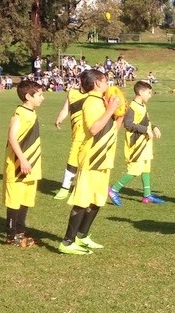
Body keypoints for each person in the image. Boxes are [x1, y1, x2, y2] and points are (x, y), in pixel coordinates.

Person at [58, 69, 120, 255]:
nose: (108, 82)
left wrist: (115, 112)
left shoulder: (100, 101)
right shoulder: (91, 102)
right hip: (92, 157)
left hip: (103, 158)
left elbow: (108, 127)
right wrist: (110, 110)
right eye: (105, 79)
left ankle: (82, 236)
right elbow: (93, 129)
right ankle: (67, 242)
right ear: (97, 83)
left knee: (97, 199)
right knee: (83, 200)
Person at [3, 79, 45, 248]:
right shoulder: (19, 114)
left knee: (26, 200)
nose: (43, 98)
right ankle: (11, 236)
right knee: (14, 200)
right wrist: (22, 159)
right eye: (40, 95)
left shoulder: (31, 113)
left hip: (30, 166)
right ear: (28, 96)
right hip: (18, 166)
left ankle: (20, 231)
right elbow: (12, 137)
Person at [108, 81, 163, 206]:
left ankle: (147, 196)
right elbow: (128, 125)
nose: (150, 95)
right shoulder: (132, 107)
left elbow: (145, 121)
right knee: (134, 170)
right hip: (136, 144)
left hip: (145, 143)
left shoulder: (142, 105)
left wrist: (153, 127)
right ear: (141, 92)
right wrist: (145, 130)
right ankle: (113, 189)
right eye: (149, 93)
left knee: (145, 169)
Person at [53, 84, 89, 200]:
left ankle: (76, 188)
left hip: (90, 134)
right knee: (72, 160)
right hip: (77, 134)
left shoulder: (94, 95)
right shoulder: (72, 93)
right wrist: (60, 117)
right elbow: (66, 108)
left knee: (86, 161)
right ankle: (65, 189)